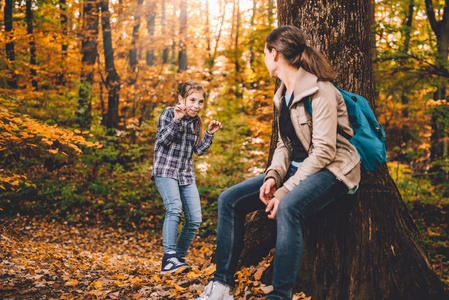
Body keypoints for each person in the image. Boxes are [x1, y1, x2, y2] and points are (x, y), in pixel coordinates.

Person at [197, 25, 361, 300]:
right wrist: (273, 176)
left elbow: (323, 152)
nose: (263, 58)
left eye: (264, 53)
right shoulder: (282, 94)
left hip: (333, 169)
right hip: (299, 168)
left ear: (274, 54)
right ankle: (221, 286)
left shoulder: (322, 91)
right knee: (229, 199)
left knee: (289, 208)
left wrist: (285, 191)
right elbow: (284, 143)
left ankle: (279, 295)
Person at [152, 80, 222, 275]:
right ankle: (168, 258)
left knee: (195, 219)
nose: (196, 105)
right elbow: (162, 141)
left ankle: (178, 260)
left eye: (200, 102)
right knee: (174, 209)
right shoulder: (168, 113)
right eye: (192, 100)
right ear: (181, 99)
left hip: (185, 173)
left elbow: (197, 151)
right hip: (165, 170)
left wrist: (208, 134)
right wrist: (177, 120)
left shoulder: (196, 121)